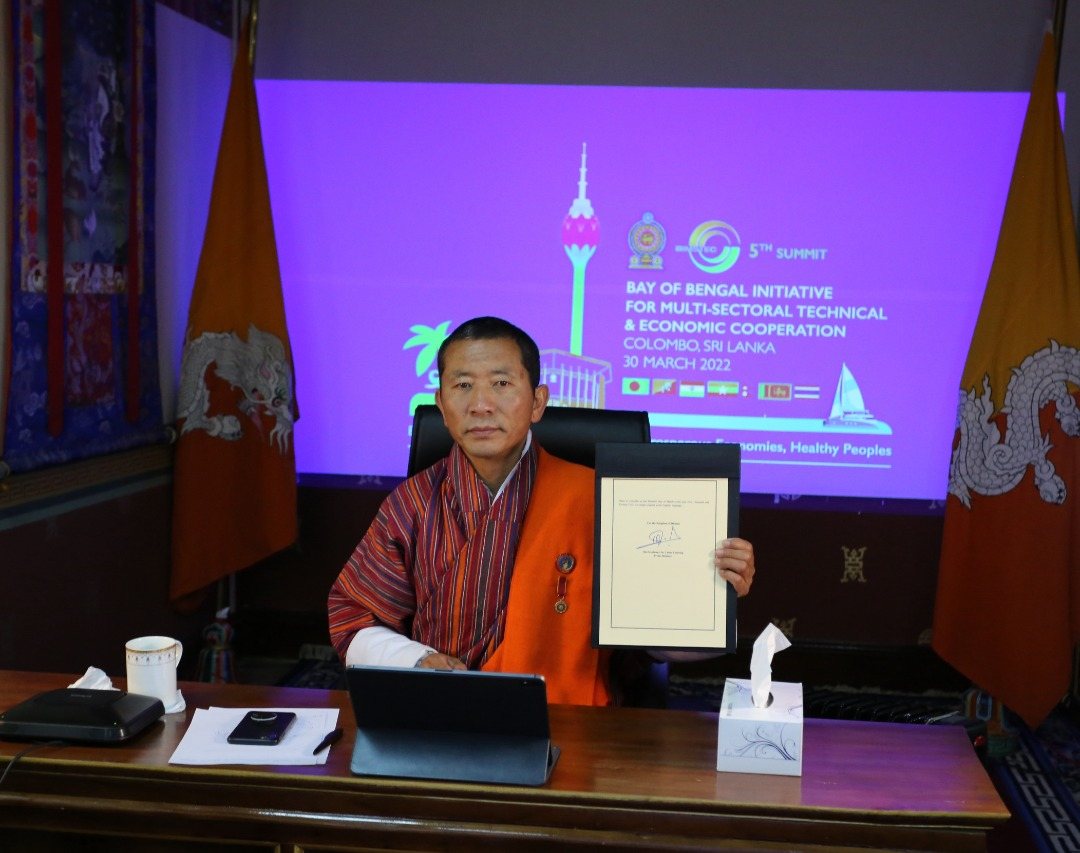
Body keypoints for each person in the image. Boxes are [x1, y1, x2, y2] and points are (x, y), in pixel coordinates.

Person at [328, 316, 756, 705]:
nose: (481, 404)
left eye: (501, 383)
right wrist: (417, 661)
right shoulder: (413, 503)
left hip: (570, 722)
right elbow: (353, 618)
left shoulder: (599, 499)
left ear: (537, 402)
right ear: (441, 404)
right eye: (462, 386)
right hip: (442, 711)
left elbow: (653, 641)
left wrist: (712, 595)